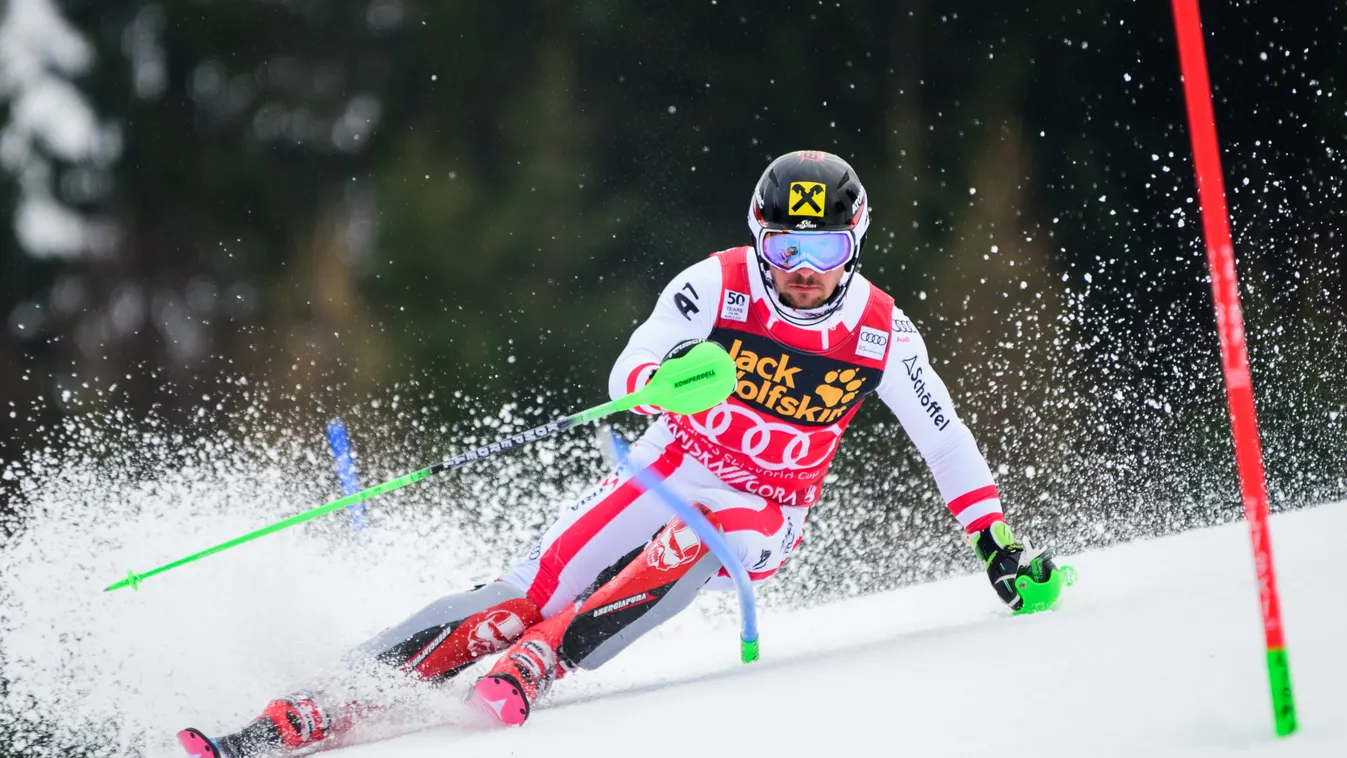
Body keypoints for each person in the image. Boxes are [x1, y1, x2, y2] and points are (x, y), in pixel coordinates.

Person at [178, 150, 1060, 757]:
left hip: (767, 511)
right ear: (759, 238)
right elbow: (629, 365)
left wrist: (995, 544)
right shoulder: (714, 283)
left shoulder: (879, 330)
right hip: (669, 463)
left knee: (705, 535)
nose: (799, 269)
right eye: (783, 246)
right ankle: (315, 704)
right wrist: (676, 375)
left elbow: (942, 435)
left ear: (852, 243)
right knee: (516, 595)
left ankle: (545, 659)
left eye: (821, 249)